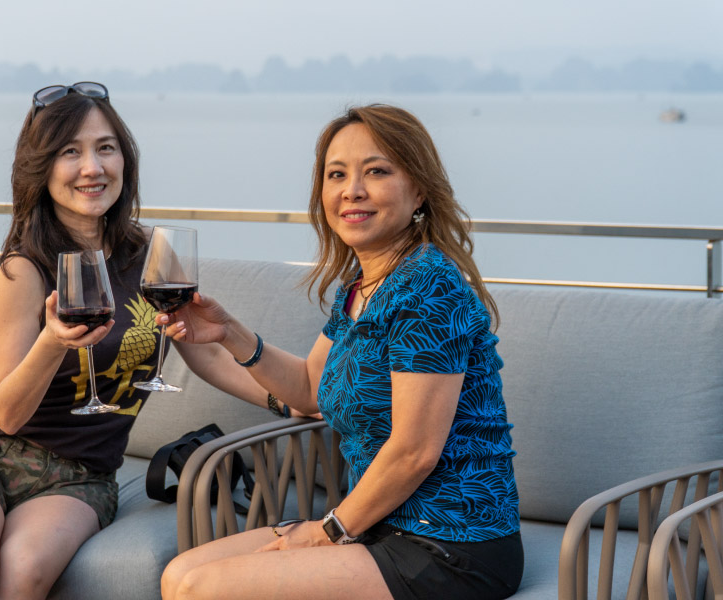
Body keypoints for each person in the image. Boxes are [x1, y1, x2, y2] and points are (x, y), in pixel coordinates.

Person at [0, 82, 276, 600]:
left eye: (105, 148)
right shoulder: (24, 269)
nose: (93, 167)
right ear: (42, 169)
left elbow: (208, 355)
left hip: (79, 474)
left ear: (124, 159)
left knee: (22, 572)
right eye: (70, 152)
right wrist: (52, 342)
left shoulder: (151, 253)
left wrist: (284, 399)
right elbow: (8, 413)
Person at [160, 105, 522, 600]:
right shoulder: (363, 286)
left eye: (376, 171)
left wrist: (325, 532)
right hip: (378, 524)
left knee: (203, 588)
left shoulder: (430, 288)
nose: (351, 189)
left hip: (451, 542)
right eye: (337, 175)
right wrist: (227, 332)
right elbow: (309, 389)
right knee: (179, 576)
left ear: (418, 189)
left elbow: (415, 451)